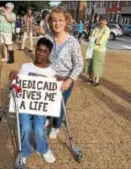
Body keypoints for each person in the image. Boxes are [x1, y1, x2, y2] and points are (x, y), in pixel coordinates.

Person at [10, 37, 56, 165]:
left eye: (44, 51)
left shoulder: (51, 72)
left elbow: (52, 93)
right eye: (39, 50)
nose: (40, 53)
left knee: (39, 129)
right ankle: (24, 152)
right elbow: (17, 86)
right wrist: (12, 78)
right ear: (35, 49)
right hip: (25, 105)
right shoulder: (25, 67)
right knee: (25, 128)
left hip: (40, 107)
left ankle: (43, 148)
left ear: (48, 53)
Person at [45, 7, 83, 139]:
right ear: (50, 22)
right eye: (54, 20)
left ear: (66, 21)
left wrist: (70, 80)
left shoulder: (72, 42)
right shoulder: (46, 38)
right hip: (49, 79)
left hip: (65, 79)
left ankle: (56, 126)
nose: (57, 23)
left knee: (59, 105)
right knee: (47, 101)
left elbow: (79, 64)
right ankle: (48, 117)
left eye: (60, 20)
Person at [84, 16, 110, 87]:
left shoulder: (107, 30)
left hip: (99, 50)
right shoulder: (96, 28)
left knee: (97, 65)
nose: (102, 21)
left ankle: (96, 81)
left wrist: (94, 39)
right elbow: (91, 37)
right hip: (91, 48)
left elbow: (100, 41)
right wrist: (92, 38)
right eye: (101, 20)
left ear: (106, 22)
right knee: (89, 63)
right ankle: (90, 78)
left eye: (104, 20)